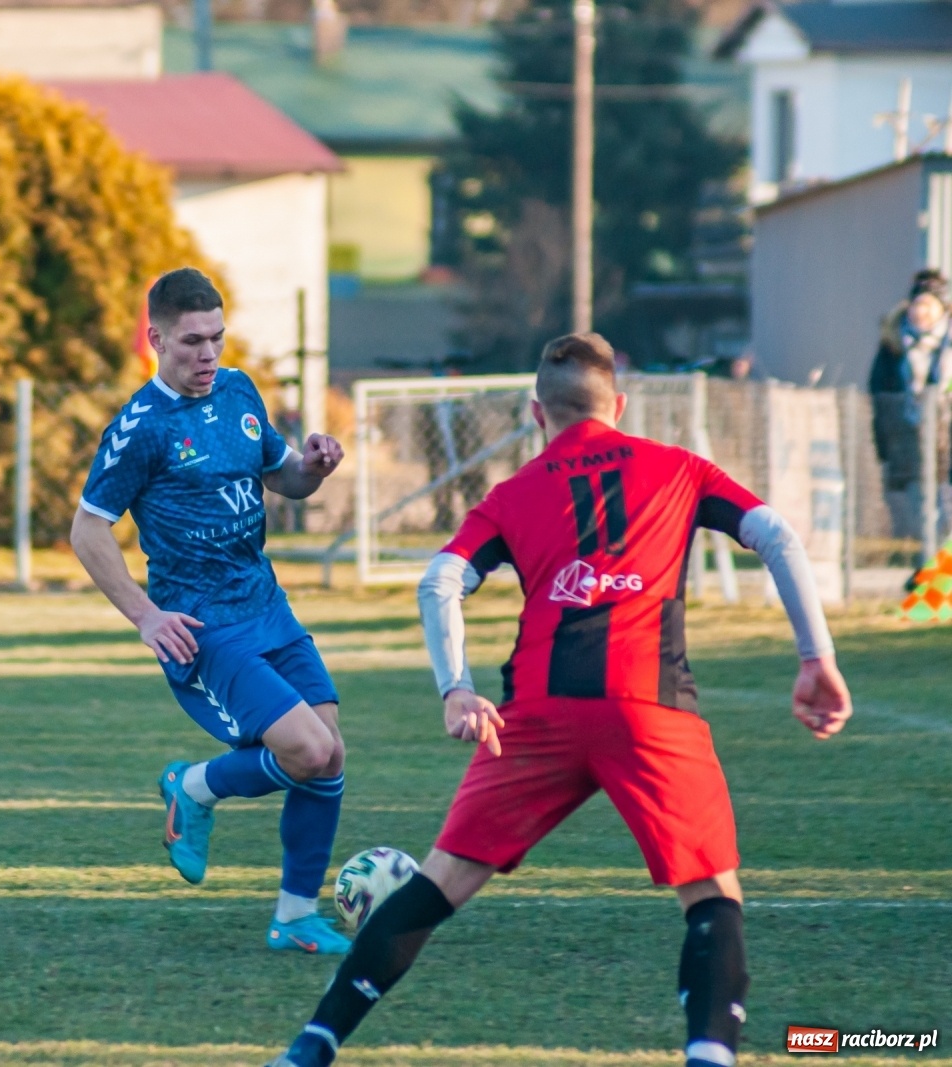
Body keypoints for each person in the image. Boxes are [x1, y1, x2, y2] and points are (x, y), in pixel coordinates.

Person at [267, 332, 853, 1067]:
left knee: (440, 881)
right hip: (649, 705)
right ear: (619, 405)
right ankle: (709, 1054)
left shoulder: (513, 494)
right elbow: (777, 536)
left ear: (537, 413)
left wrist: (457, 688)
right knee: (710, 895)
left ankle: (310, 1047)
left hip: (538, 714)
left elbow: (439, 579)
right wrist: (816, 659)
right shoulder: (680, 468)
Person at [71, 268, 352, 954]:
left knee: (330, 754)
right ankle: (193, 788)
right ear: (156, 340)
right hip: (203, 625)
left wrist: (313, 467)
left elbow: (282, 474)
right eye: (192, 341)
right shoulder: (141, 428)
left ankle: (294, 917)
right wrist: (145, 616)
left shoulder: (238, 391)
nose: (208, 354)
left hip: (266, 604)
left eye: (217, 338)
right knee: (308, 750)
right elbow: (87, 529)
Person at [869, 269, 952, 566]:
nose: (920, 312)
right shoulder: (894, 344)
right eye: (917, 304)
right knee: (922, 516)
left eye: (928, 305)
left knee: (947, 515)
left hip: (947, 439)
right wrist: (885, 443)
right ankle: (931, 575)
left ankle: (938, 578)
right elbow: (880, 392)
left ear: (942, 309)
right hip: (910, 442)